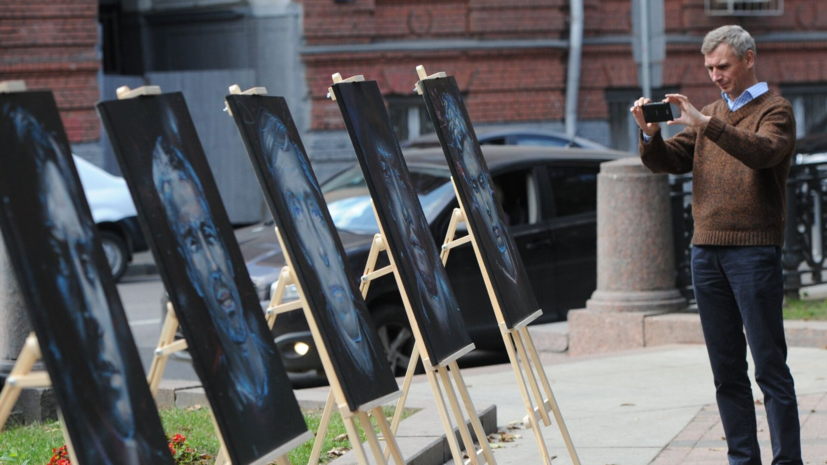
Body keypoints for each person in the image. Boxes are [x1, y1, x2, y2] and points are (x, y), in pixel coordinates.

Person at [631, 25, 801, 464]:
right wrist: (650, 134)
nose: (715, 76)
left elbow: (763, 151)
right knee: (726, 371)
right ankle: (742, 459)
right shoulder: (708, 113)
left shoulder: (776, 110)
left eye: (722, 66)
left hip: (753, 251)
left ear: (748, 59)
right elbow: (666, 162)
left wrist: (709, 124)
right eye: (709, 68)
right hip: (705, 252)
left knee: (769, 367)